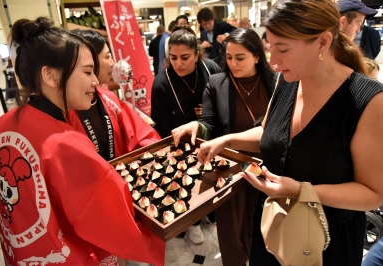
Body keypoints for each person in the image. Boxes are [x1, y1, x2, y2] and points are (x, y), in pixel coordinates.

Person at [196, 0, 383, 265]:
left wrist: (300, 191)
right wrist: (224, 140)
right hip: (273, 225)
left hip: (326, 240)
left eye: (282, 49)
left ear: (322, 42)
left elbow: (373, 193)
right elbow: (270, 133)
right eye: (270, 48)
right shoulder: (287, 80)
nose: (273, 62)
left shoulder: (368, 101)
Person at [0, 17, 165, 265]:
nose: (95, 80)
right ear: (50, 75)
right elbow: (105, 216)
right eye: (87, 71)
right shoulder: (64, 144)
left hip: (23, 254)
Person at [171, 28, 275, 265]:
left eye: (240, 58)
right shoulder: (218, 83)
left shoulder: (275, 83)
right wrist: (196, 126)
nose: (233, 64)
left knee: (261, 226)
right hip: (229, 167)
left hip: (265, 166)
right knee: (230, 229)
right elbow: (209, 122)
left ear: (257, 56)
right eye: (229, 58)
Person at [68, 29, 161, 162]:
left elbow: (141, 136)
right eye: (107, 57)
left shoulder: (109, 99)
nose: (113, 63)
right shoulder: (67, 108)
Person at [151, 26, 221, 138]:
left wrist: (209, 112)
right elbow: (161, 121)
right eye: (173, 58)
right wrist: (192, 116)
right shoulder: (161, 83)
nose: (178, 64)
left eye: (185, 58)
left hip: (214, 136)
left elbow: (224, 102)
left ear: (196, 55)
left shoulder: (211, 69)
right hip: (180, 140)